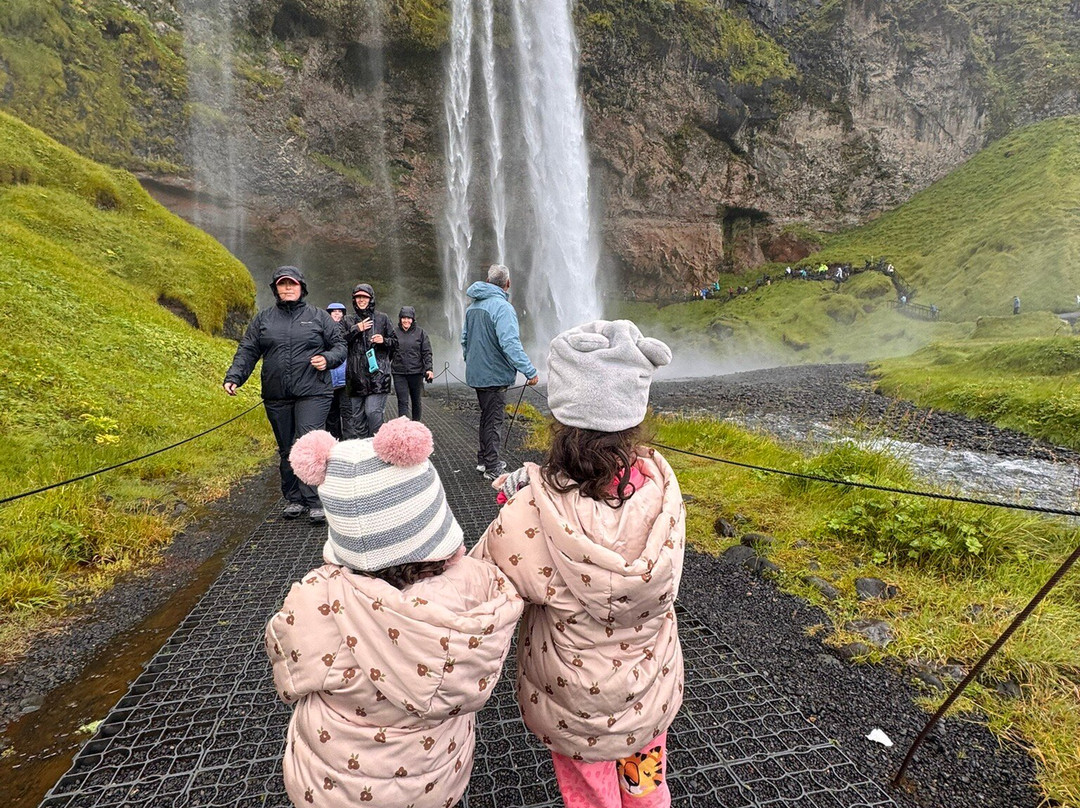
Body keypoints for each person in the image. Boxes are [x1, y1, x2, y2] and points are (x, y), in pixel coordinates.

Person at [472, 319, 684, 808]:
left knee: (591, 797)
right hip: (646, 690)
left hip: (575, 706)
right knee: (647, 786)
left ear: (561, 414)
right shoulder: (662, 495)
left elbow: (482, 584)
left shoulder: (530, 514)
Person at [267, 418, 522, 808]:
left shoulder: (314, 602)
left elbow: (287, 677)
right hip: (436, 779)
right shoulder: (478, 593)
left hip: (335, 788)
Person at [223, 266, 345, 523]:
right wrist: (235, 376)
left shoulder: (319, 317)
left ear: (301, 287)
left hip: (313, 391)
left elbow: (340, 345)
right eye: (282, 284)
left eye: (292, 284)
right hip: (277, 394)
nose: (287, 288)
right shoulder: (263, 319)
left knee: (309, 445)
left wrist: (327, 358)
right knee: (286, 447)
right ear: (275, 289)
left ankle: (314, 500)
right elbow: (248, 350)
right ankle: (293, 498)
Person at [462, 264, 538, 481]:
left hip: (478, 374)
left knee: (486, 417)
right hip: (494, 374)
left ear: (487, 281)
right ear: (508, 284)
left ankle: (484, 459)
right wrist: (529, 370)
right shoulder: (503, 308)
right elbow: (510, 343)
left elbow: (464, 340)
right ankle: (493, 467)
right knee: (494, 420)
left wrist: (472, 363)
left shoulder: (472, 307)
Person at [344, 283, 397, 438]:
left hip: (378, 375)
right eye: (358, 297)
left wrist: (384, 340)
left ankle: (378, 449)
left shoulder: (382, 318)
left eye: (365, 297)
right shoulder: (348, 320)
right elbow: (339, 341)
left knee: (373, 413)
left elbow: (395, 343)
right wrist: (356, 329)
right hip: (355, 376)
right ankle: (364, 451)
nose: (361, 300)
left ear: (371, 299)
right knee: (358, 419)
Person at [391, 305, 434, 421]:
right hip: (399, 372)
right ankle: (404, 428)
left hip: (416, 372)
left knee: (416, 401)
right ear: (400, 319)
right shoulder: (393, 332)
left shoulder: (421, 333)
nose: (406, 321)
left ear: (413, 319)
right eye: (404, 318)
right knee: (402, 401)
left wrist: (429, 369)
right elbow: (388, 351)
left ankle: (416, 425)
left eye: (409, 318)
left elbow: (426, 352)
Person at [324, 303, 351, 439]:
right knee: (331, 414)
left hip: (345, 379)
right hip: (329, 379)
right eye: (334, 311)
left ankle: (349, 443)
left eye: (340, 312)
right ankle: (334, 442)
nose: (337, 314)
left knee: (347, 413)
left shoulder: (350, 330)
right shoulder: (322, 330)